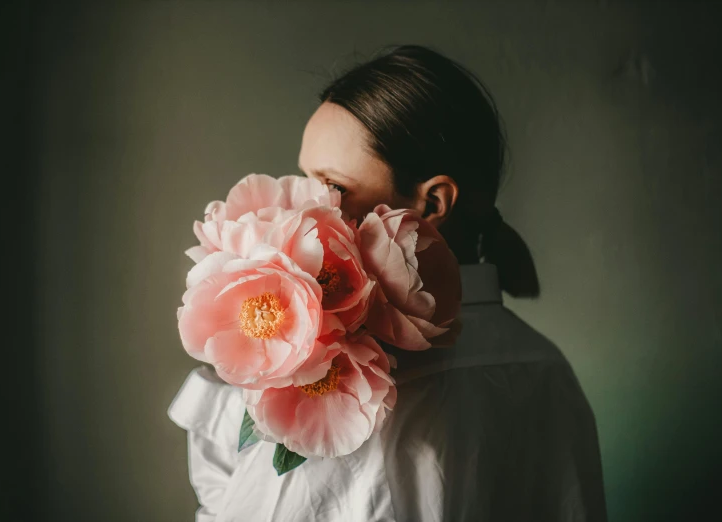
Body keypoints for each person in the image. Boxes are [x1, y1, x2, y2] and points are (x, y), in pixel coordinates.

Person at [169, 44, 607, 521]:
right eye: (303, 179)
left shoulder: (352, 391)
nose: (304, 208)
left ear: (433, 205)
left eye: (332, 187)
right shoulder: (545, 368)